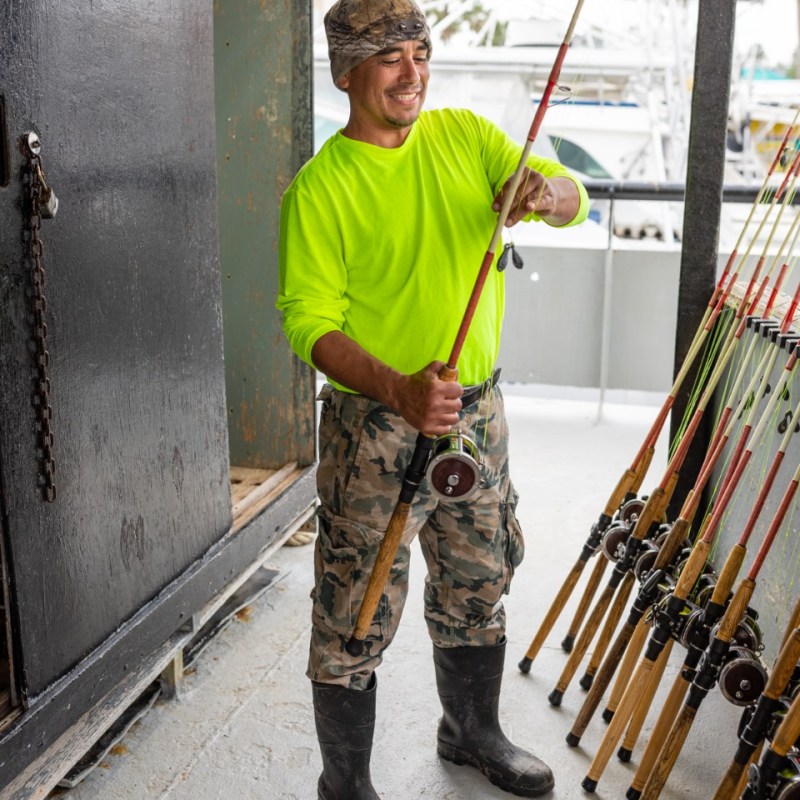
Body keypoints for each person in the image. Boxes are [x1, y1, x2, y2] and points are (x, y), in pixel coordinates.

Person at [277, 1, 589, 797]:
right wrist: (399, 389)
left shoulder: (464, 136)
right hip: (375, 426)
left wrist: (543, 194)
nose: (413, 73)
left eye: (420, 51)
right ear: (348, 70)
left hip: (476, 416)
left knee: (479, 582)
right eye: (390, 58)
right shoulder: (321, 188)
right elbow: (309, 325)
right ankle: (344, 783)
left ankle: (471, 733)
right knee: (355, 609)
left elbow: (569, 193)